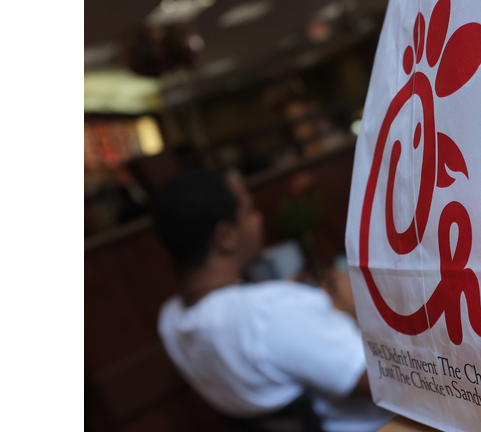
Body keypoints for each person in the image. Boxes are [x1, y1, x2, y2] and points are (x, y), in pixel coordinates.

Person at [151, 169, 394, 432]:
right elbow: (391, 381)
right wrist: (360, 308)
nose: (258, 219)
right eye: (249, 210)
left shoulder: (170, 319)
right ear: (226, 236)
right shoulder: (269, 313)